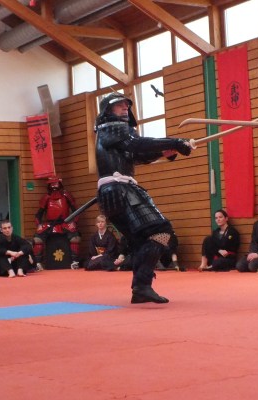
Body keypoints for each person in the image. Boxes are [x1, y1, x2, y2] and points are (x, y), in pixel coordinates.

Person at [94, 92, 192, 303]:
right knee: (161, 231)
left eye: (126, 105)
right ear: (108, 110)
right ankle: (141, 285)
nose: (125, 108)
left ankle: (141, 288)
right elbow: (136, 144)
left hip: (115, 191)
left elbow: (139, 155)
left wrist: (167, 150)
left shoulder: (115, 135)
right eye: (119, 105)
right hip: (120, 190)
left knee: (141, 240)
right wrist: (174, 141)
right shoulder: (111, 128)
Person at [33, 176, 81, 270]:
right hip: (50, 223)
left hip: (65, 222)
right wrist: (39, 225)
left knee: (75, 238)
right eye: (52, 185)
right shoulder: (46, 198)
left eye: (56, 184)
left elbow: (76, 211)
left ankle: (74, 262)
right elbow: (38, 214)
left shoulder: (66, 195)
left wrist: (74, 222)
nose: (54, 187)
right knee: (37, 239)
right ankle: (38, 263)